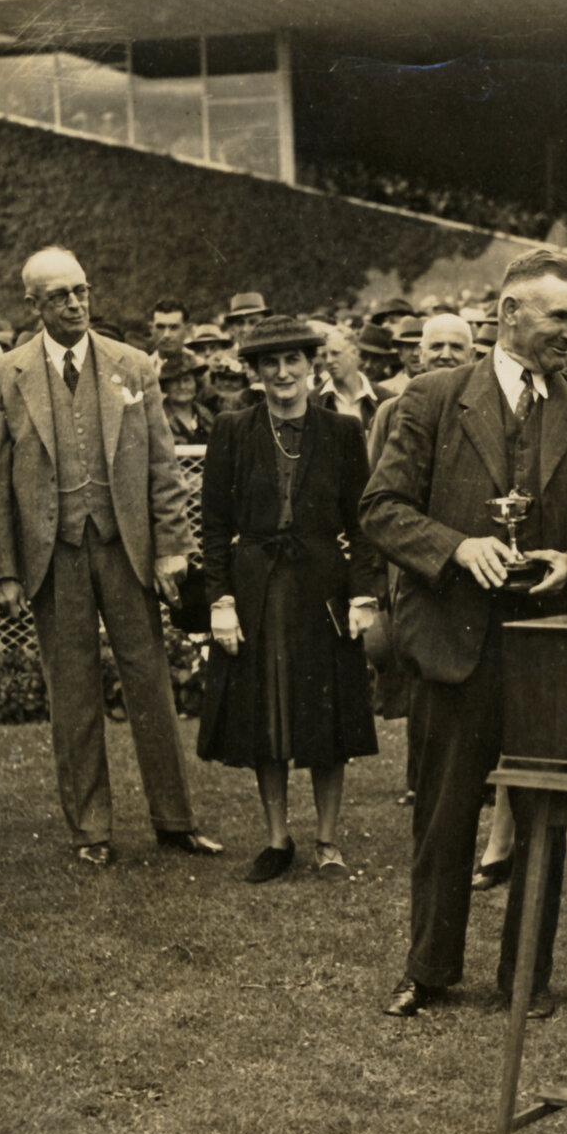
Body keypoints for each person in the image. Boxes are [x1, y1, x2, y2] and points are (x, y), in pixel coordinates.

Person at [362, 249, 567, 1019]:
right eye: (561, 316)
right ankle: (429, 967)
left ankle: (528, 976)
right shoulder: (432, 398)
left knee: (543, 817)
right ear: (510, 314)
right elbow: (381, 510)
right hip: (454, 644)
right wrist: (456, 547)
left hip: (551, 646)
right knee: (444, 814)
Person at [0, 245, 225, 867]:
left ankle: (176, 821)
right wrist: (1, 569)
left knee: (151, 685)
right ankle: (92, 831)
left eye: (81, 290)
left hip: (127, 549)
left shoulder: (134, 366)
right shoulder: (4, 376)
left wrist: (172, 549)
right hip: (52, 554)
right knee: (74, 694)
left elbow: (165, 469)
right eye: (58, 296)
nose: (74, 303)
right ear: (32, 305)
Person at [199, 317, 385, 882]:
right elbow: (212, 526)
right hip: (258, 593)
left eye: (293, 361)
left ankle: (328, 842)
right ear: (256, 373)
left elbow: (363, 523)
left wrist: (363, 595)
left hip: (323, 592)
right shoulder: (232, 430)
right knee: (268, 718)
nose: (282, 373)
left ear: (313, 365)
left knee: (328, 719)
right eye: (270, 363)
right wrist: (221, 601)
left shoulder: (343, 432)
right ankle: (277, 840)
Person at [317, 324, 379, 428]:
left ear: (355, 353)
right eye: (324, 355)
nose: (328, 361)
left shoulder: (383, 398)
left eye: (335, 353)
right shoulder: (313, 401)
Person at [148, 297, 189, 365]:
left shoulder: (200, 366)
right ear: (151, 329)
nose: (166, 335)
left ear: (186, 330)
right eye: (160, 327)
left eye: (174, 327)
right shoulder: (143, 367)